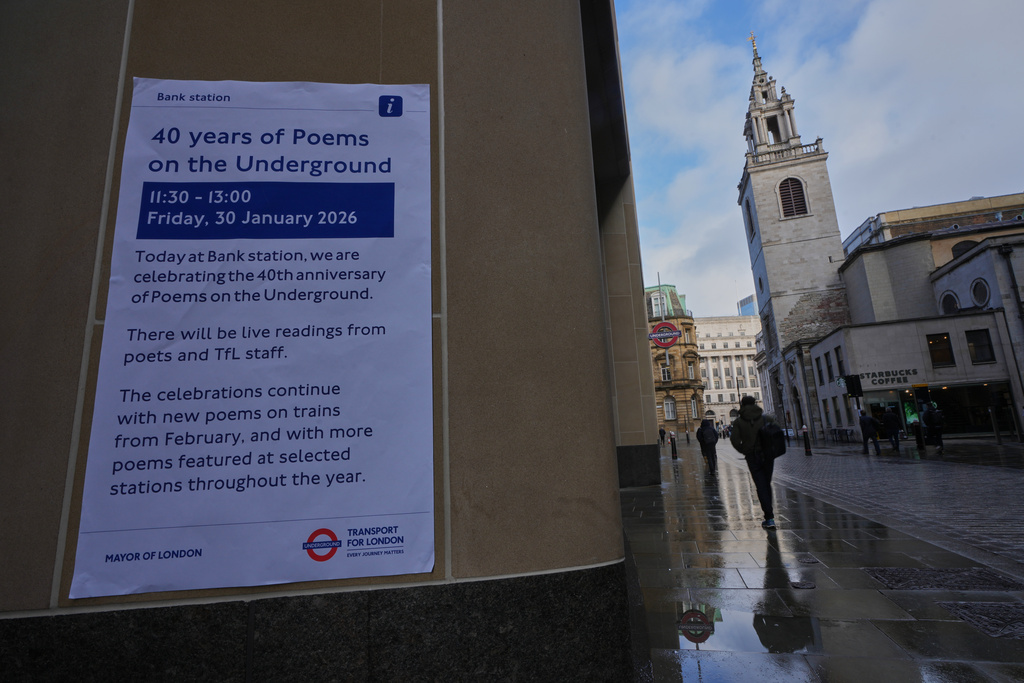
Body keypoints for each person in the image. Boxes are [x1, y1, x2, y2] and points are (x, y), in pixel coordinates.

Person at [730, 396, 778, 530]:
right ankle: (770, 516)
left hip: (752, 456)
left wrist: (745, 450)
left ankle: (769, 517)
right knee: (766, 483)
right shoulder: (766, 418)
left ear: (742, 405)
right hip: (768, 456)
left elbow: (734, 440)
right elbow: (777, 433)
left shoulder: (739, 422)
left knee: (760, 484)